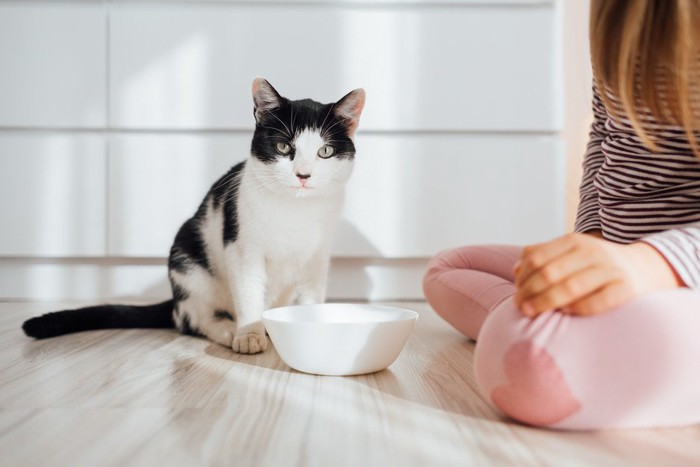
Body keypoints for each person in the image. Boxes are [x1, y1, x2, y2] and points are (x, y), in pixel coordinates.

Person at [423, 0, 700, 430]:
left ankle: (544, 332)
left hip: (683, 280)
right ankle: (549, 327)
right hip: (623, 263)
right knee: (450, 267)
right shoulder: (617, 17)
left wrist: (648, 264)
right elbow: (604, 137)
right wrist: (592, 239)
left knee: (529, 374)